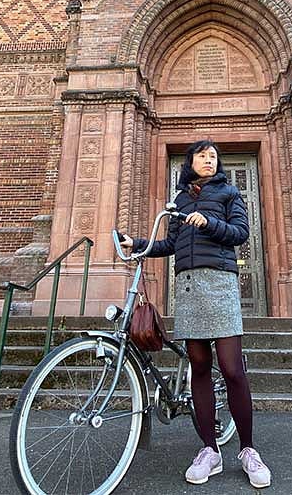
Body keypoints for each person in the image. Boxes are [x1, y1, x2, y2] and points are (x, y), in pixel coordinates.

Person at [120, 139, 272, 489]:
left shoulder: (230, 193)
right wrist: (139, 244)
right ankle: (209, 450)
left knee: (232, 369)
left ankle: (248, 449)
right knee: (199, 369)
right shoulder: (180, 200)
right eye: (202, 155)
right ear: (190, 161)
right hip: (187, 286)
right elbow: (171, 244)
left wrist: (208, 224)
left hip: (219, 283)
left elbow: (240, 234)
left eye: (213, 156)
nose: (209, 159)